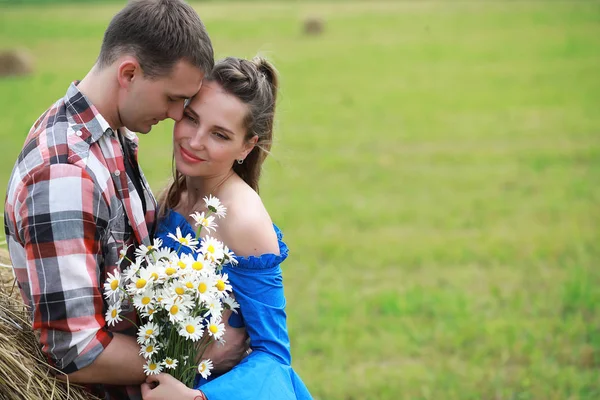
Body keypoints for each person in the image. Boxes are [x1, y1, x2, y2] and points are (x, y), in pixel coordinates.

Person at [4, 1, 245, 399]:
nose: (174, 115)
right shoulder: (65, 173)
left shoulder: (111, 134)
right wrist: (203, 354)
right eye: (172, 98)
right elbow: (76, 353)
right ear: (129, 73)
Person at [142, 56, 313, 400]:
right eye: (191, 118)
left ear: (247, 146)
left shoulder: (243, 220)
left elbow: (274, 355)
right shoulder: (175, 193)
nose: (194, 141)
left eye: (219, 134)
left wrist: (197, 398)